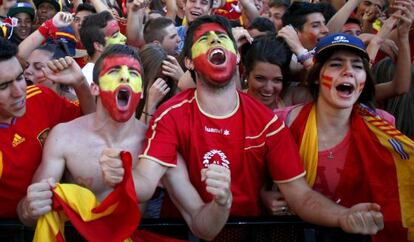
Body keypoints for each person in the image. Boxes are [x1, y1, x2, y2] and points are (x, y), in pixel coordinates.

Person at [101, 15, 385, 239]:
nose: (215, 43)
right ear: (188, 62)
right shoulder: (170, 116)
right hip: (188, 236)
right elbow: (148, 185)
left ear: (235, 55)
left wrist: (342, 217)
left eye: (222, 38)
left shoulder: (267, 122)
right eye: (205, 40)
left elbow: (300, 195)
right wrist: (120, 171)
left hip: (252, 235)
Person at [18, 44, 231, 241]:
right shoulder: (64, 136)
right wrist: (29, 208)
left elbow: (203, 227)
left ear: (140, 92)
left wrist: (222, 203)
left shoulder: (156, 144)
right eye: (114, 72)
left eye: (134, 74)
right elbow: (29, 213)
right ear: (95, 88)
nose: (125, 79)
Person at [275, 33, 414, 242]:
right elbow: (276, 187)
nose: (348, 71)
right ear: (316, 75)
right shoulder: (283, 123)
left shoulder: (383, 127)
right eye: (336, 64)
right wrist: (264, 195)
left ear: (365, 79)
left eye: (357, 66)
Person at [0, 38, 94, 219]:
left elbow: (89, 123)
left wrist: (80, 84)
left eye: (20, 78)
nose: (19, 91)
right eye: (4, 86)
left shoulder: (40, 97)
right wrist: (24, 211)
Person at [243, 34, 291, 110]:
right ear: (246, 74)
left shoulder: (292, 107)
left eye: (277, 80)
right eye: (260, 78)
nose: (268, 88)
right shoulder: (230, 106)